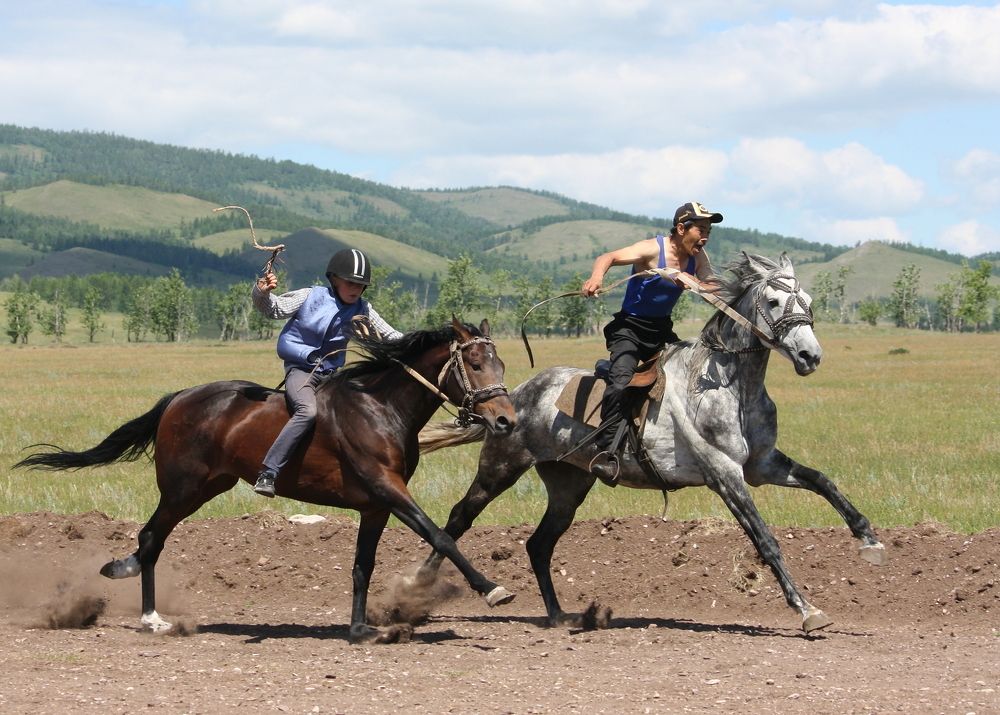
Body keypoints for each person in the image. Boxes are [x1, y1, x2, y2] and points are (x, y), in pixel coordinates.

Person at [581, 201, 722, 483]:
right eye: (701, 229)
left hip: (662, 331)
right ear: (682, 228)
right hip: (630, 330)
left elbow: (713, 285)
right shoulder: (652, 249)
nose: (705, 236)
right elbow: (607, 257)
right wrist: (596, 278)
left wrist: (693, 282)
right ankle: (607, 452)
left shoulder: (697, 256)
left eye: (709, 230)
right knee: (621, 382)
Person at [250, 247, 402, 497]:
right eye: (350, 282)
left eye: (361, 285)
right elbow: (273, 309)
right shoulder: (309, 296)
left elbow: (391, 335)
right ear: (334, 279)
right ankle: (269, 472)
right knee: (307, 411)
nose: (356, 289)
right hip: (301, 370)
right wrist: (261, 292)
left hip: (334, 376)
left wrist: (426, 343)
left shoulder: (364, 309)